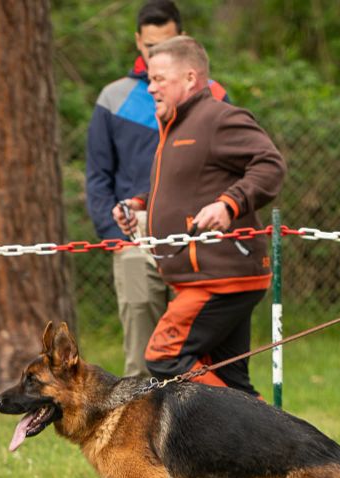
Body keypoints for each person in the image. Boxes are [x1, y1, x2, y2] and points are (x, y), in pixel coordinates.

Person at [113, 36, 286, 396]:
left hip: (220, 277)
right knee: (231, 379)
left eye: (159, 79)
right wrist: (141, 204)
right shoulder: (175, 126)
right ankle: (266, 446)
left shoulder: (218, 119)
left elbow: (270, 165)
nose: (151, 88)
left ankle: (243, 428)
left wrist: (229, 205)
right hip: (202, 277)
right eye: (150, 79)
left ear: (190, 78)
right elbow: (189, 186)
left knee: (164, 357)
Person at [85, 0, 228, 377]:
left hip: (195, 236)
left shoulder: (213, 96)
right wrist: (116, 234)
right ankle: (139, 434)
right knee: (141, 358)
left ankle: (199, 433)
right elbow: (98, 176)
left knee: (198, 355)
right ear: (137, 43)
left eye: (167, 45)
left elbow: (230, 168)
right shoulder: (113, 98)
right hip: (135, 236)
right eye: (151, 48)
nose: (158, 56)